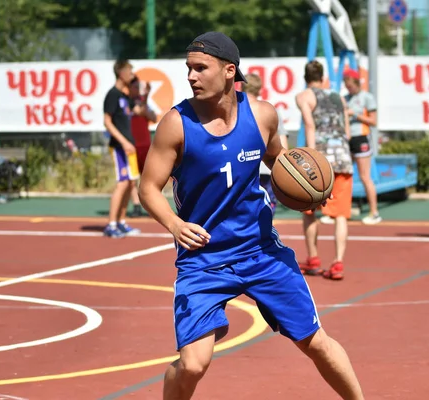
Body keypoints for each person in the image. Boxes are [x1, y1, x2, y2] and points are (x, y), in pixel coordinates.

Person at [139, 32, 364, 400]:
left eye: (200, 68)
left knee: (316, 342)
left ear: (230, 71)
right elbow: (148, 187)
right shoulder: (176, 124)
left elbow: (280, 162)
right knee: (194, 364)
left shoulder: (262, 115)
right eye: (188, 69)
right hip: (204, 258)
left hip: (260, 251)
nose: (191, 77)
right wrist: (175, 224)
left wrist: (310, 190)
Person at [295, 60, 354, 280]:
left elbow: (309, 125)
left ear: (305, 77)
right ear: (323, 77)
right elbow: (346, 131)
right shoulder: (338, 97)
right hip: (342, 156)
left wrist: (311, 157)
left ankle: (314, 257)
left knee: (310, 210)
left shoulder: (304, 96)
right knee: (340, 215)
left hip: (321, 159)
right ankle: (338, 262)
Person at [103, 59, 141, 237]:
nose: (132, 76)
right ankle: (111, 225)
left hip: (129, 147)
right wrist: (123, 142)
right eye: (130, 72)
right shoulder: (112, 95)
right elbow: (107, 121)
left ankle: (121, 222)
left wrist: (145, 96)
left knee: (131, 182)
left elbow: (139, 110)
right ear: (121, 73)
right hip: (120, 147)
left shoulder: (125, 97)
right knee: (123, 182)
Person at [240, 73, 289, 215]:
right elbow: (281, 144)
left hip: (242, 169)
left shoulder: (232, 109)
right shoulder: (269, 110)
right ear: (260, 90)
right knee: (266, 209)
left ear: (241, 87)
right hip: (266, 169)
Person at [343, 69, 381, 225]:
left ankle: (374, 212)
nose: (349, 88)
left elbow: (373, 121)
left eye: (350, 85)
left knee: (365, 176)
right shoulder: (345, 98)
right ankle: (341, 211)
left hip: (361, 138)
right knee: (345, 175)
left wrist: (355, 114)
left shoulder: (367, 97)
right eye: (347, 85)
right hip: (347, 138)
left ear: (357, 82)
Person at [128, 76, 158, 218]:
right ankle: (136, 205)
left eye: (137, 86)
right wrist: (145, 97)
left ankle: (153, 205)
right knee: (132, 178)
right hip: (131, 145)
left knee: (148, 176)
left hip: (145, 145)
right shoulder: (126, 102)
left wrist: (145, 98)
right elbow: (137, 111)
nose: (136, 89)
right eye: (133, 86)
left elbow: (152, 117)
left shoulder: (142, 102)